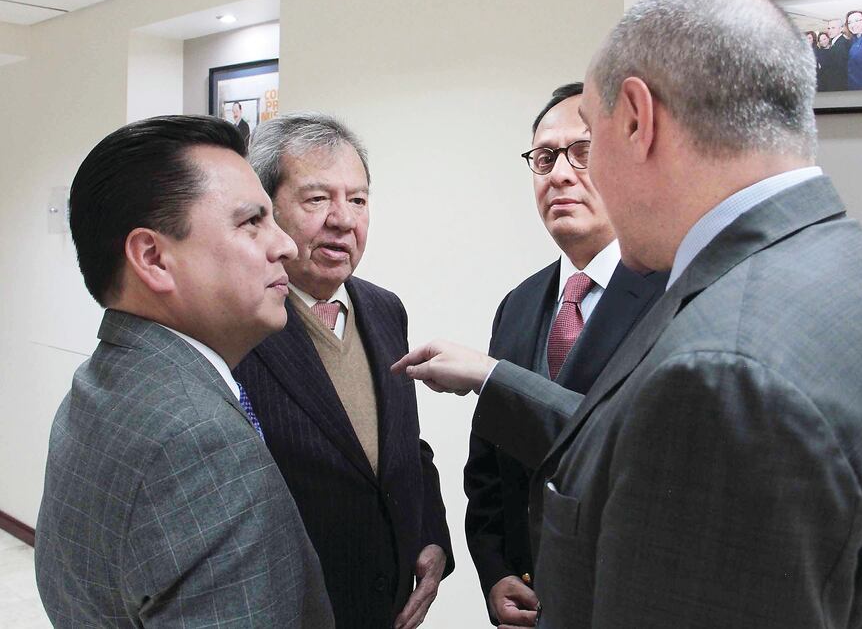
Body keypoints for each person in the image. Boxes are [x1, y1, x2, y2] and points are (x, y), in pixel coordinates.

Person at [394, 0, 862, 628]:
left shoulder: (724, 378)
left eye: (589, 140)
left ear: (636, 119)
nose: (577, 174)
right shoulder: (858, 272)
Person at [34, 115, 335, 627]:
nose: (284, 245)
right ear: (152, 257)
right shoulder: (199, 442)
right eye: (251, 222)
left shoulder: (101, 386)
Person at [234, 112, 452, 629]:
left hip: (388, 608)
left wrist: (432, 535)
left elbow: (405, 446)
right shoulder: (239, 326)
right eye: (317, 199)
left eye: (357, 199)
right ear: (265, 212)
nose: (343, 219)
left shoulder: (384, 309)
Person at [464, 82, 667, 627]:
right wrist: (494, 571)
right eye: (545, 157)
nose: (559, 174)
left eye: (582, 152)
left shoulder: (672, 295)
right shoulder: (520, 304)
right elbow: (488, 469)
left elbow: (642, 457)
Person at [817, 17, 849, 92]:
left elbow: (840, 71)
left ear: (841, 29)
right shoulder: (836, 42)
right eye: (829, 28)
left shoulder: (841, 44)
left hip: (837, 86)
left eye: (833, 28)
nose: (830, 31)